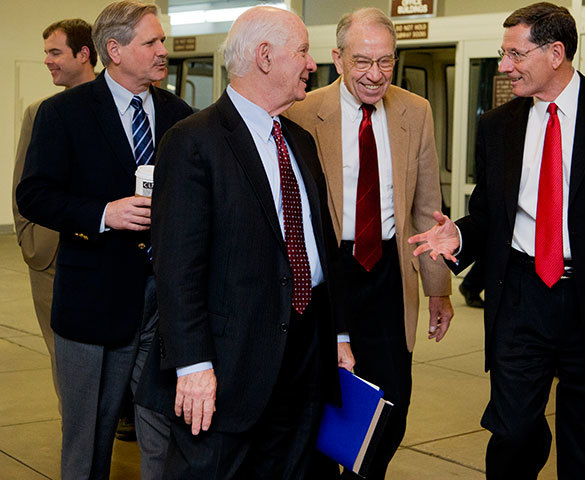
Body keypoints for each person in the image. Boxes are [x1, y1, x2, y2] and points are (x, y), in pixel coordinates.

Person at [408, 3, 585, 478]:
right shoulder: (499, 125)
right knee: (512, 433)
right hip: (522, 296)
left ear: (555, 52)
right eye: (502, 53)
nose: (505, 66)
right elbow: (490, 213)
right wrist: (460, 235)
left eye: (515, 54)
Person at [137, 6, 341, 478]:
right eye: (303, 52)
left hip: (304, 361)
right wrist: (192, 366)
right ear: (265, 57)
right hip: (227, 372)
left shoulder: (300, 140)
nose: (312, 65)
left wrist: (339, 336)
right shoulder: (193, 141)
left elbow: (319, 248)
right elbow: (177, 269)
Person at [15, 2, 193, 478]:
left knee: (167, 431)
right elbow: (33, 195)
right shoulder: (63, 114)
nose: (163, 50)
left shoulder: (181, 115)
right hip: (93, 303)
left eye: (162, 40)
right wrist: (102, 214)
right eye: (151, 42)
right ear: (113, 50)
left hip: (165, 303)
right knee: (88, 441)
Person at [285, 8, 454, 479]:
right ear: (336, 58)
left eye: (386, 62)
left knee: (390, 403)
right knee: (322, 398)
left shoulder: (414, 111)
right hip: (325, 272)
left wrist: (438, 287)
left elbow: (426, 208)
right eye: (362, 62)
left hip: (386, 271)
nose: (375, 75)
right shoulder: (302, 112)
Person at [11, 18, 97, 411]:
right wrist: (32, 242)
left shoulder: (118, 106)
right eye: (45, 52)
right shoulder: (39, 112)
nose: (47, 61)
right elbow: (23, 185)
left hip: (107, 249)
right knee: (63, 358)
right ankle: (77, 431)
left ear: (85, 54)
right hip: (50, 257)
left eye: (54, 52)